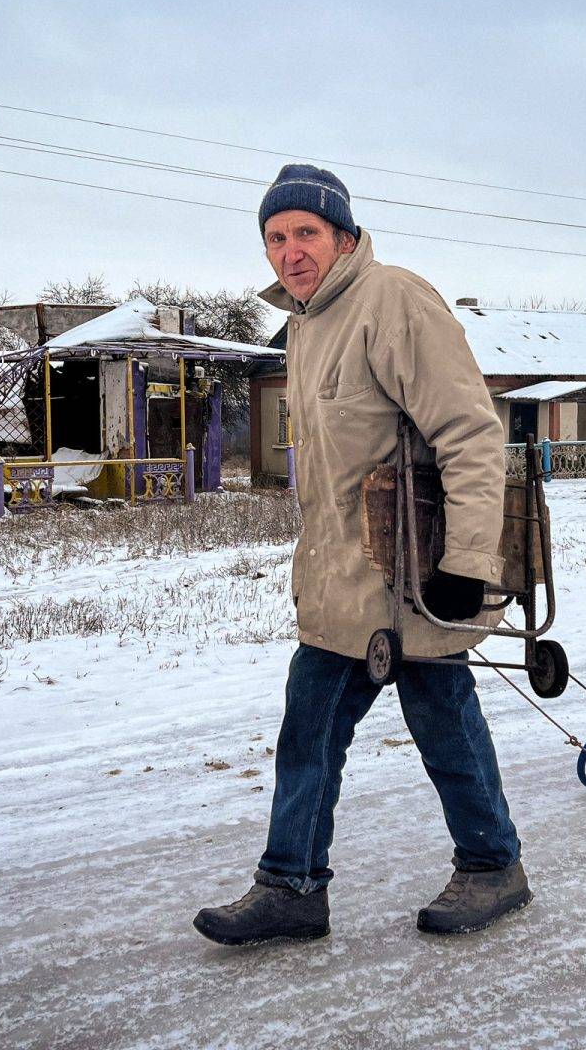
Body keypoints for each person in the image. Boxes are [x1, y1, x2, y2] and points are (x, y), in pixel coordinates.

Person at [193, 164, 530, 946]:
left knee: (443, 722)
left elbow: (472, 434)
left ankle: (491, 866)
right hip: (345, 581)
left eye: (305, 232)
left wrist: (469, 565)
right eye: (275, 238)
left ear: (344, 237)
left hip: (418, 574)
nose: (289, 251)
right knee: (307, 729)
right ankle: (292, 888)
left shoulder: (395, 300)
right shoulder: (307, 323)